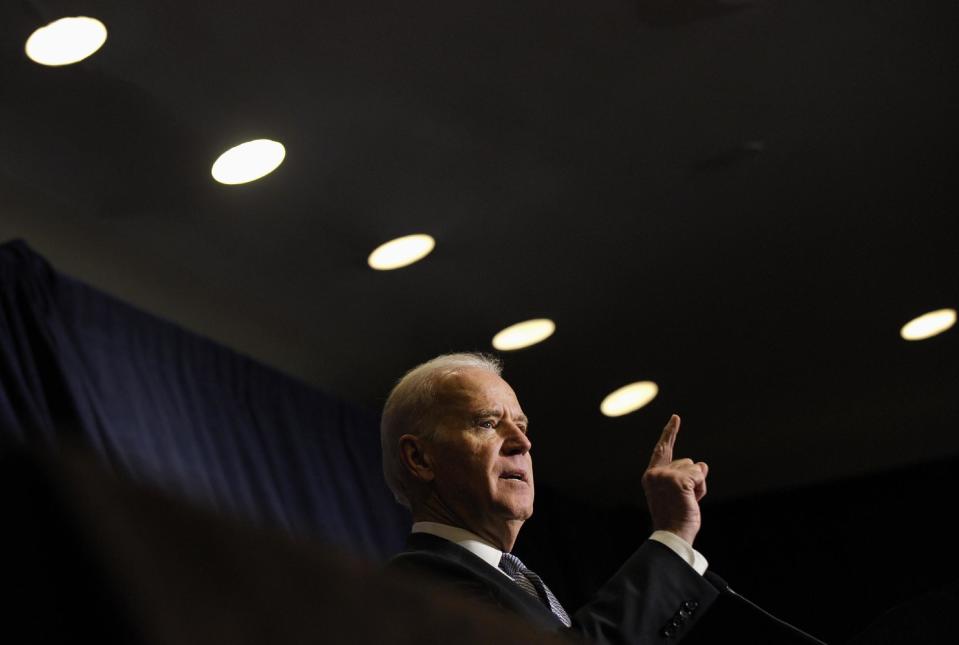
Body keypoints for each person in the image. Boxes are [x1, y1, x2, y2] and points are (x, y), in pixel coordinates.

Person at [380, 353, 823, 643]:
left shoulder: (516, 583)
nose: (523, 443)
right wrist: (671, 537)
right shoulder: (418, 583)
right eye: (487, 423)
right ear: (419, 458)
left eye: (523, 426)